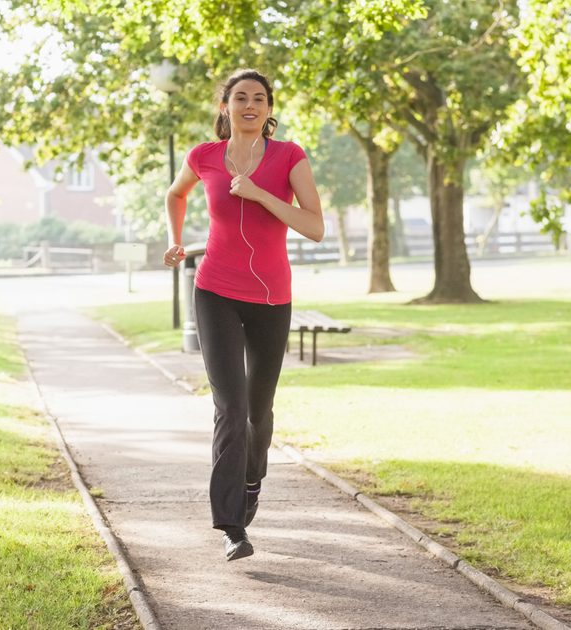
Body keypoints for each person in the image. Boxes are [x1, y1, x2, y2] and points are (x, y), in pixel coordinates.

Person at [163, 69, 324, 561]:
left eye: (259, 98)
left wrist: (259, 194)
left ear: (269, 109)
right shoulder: (203, 156)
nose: (250, 105)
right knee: (229, 407)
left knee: (259, 410)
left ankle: (252, 479)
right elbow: (176, 194)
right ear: (225, 106)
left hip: (272, 298)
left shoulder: (289, 156)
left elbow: (314, 226)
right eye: (240, 98)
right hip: (214, 290)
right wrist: (175, 240)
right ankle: (232, 525)